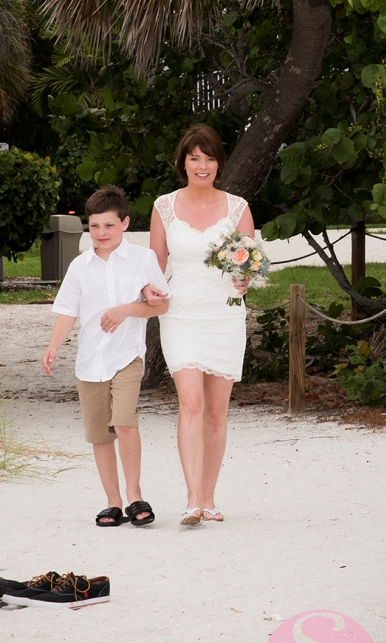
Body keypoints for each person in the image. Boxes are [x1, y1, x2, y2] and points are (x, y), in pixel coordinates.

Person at [42, 185, 170, 528]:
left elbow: (163, 303)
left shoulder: (143, 259)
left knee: (125, 421)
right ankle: (112, 501)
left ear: (125, 223)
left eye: (109, 226)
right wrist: (54, 345)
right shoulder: (80, 266)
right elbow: (68, 311)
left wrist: (128, 308)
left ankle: (134, 495)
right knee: (100, 435)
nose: (101, 233)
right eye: (95, 226)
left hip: (127, 356)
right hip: (90, 362)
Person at [148, 125, 254, 525]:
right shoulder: (164, 207)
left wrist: (245, 279)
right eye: (194, 157)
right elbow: (155, 264)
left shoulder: (238, 208)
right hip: (181, 314)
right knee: (190, 402)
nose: (202, 165)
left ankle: (209, 498)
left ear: (218, 164)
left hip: (224, 314)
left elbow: (250, 261)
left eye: (209, 158)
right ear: (183, 163)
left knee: (216, 412)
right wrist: (147, 289)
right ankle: (192, 499)